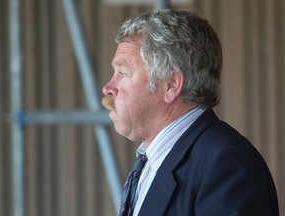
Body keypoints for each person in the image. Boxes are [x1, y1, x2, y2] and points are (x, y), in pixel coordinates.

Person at [102, 9, 279, 216]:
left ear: (171, 85)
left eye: (122, 72)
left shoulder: (226, 162)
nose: (108, 87)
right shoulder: (151, 162)